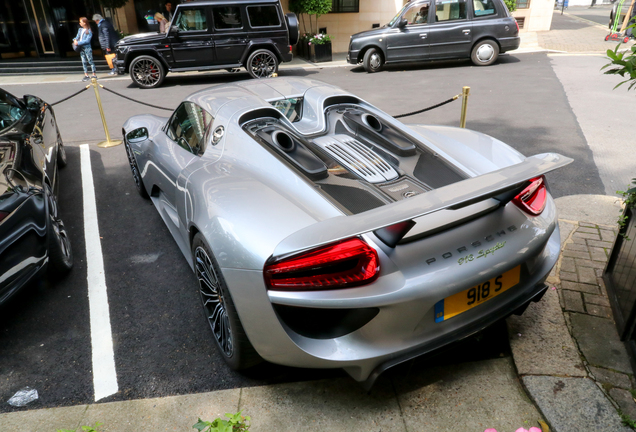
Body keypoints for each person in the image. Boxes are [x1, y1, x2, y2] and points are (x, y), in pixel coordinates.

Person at [73, 17, 97, 82]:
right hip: (81, 48)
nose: (80, 23)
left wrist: (78, 42)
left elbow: (87, 41)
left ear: (85, 23)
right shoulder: (80, 30)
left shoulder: (89, 31)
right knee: (83, 61)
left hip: (87, 48)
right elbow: (77, 36)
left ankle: (94, 74)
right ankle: (86, 75)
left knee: (90, 60)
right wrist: (74, 40)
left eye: (81, 22)